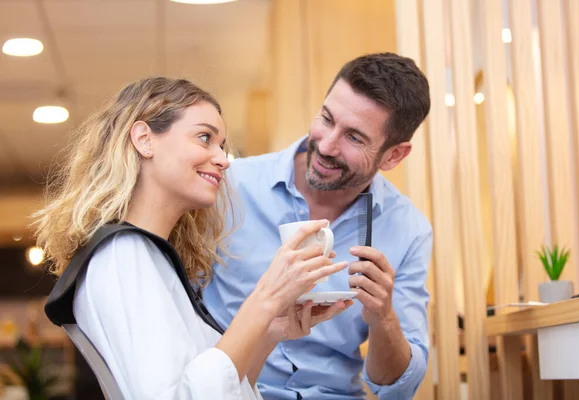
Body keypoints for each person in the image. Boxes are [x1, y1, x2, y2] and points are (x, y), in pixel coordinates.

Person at [33, 77, 353, 400]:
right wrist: (266, 297)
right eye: (205, 138)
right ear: (145, 139)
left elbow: (222, 389)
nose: (224, 159)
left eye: (223, 146)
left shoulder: (149, 257)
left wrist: (270, 330)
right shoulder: (122, 254)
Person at [204, 52, 432, 399]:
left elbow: (396, 388)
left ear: (393, 156)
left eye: (354, 138)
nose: (326, 145)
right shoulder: (229, 188)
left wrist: (382, 317)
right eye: (326, 119)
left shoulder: (408, 230)